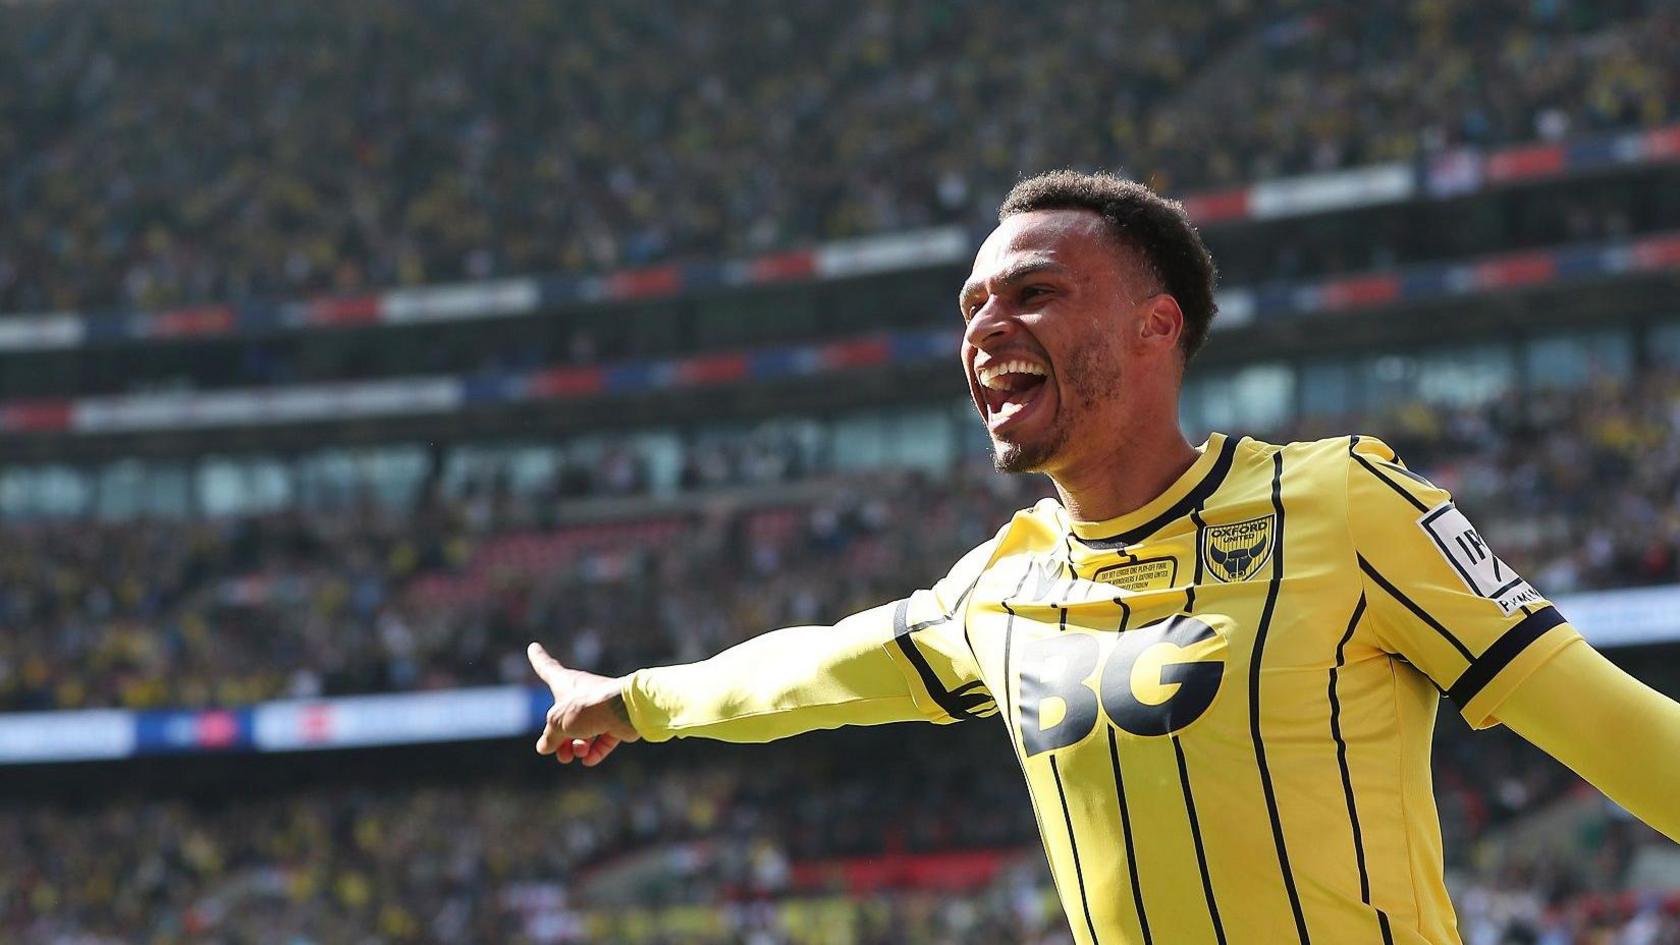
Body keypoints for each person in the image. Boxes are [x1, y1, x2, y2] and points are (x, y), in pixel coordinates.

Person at [527, 171, 1680, 945]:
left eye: (1036, 294)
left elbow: (1604, 722)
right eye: (973, 305)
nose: (985, 328)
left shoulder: (1346, 505)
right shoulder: (1004, 583)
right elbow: (815, 670)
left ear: (1156, 327)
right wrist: (631, 699)